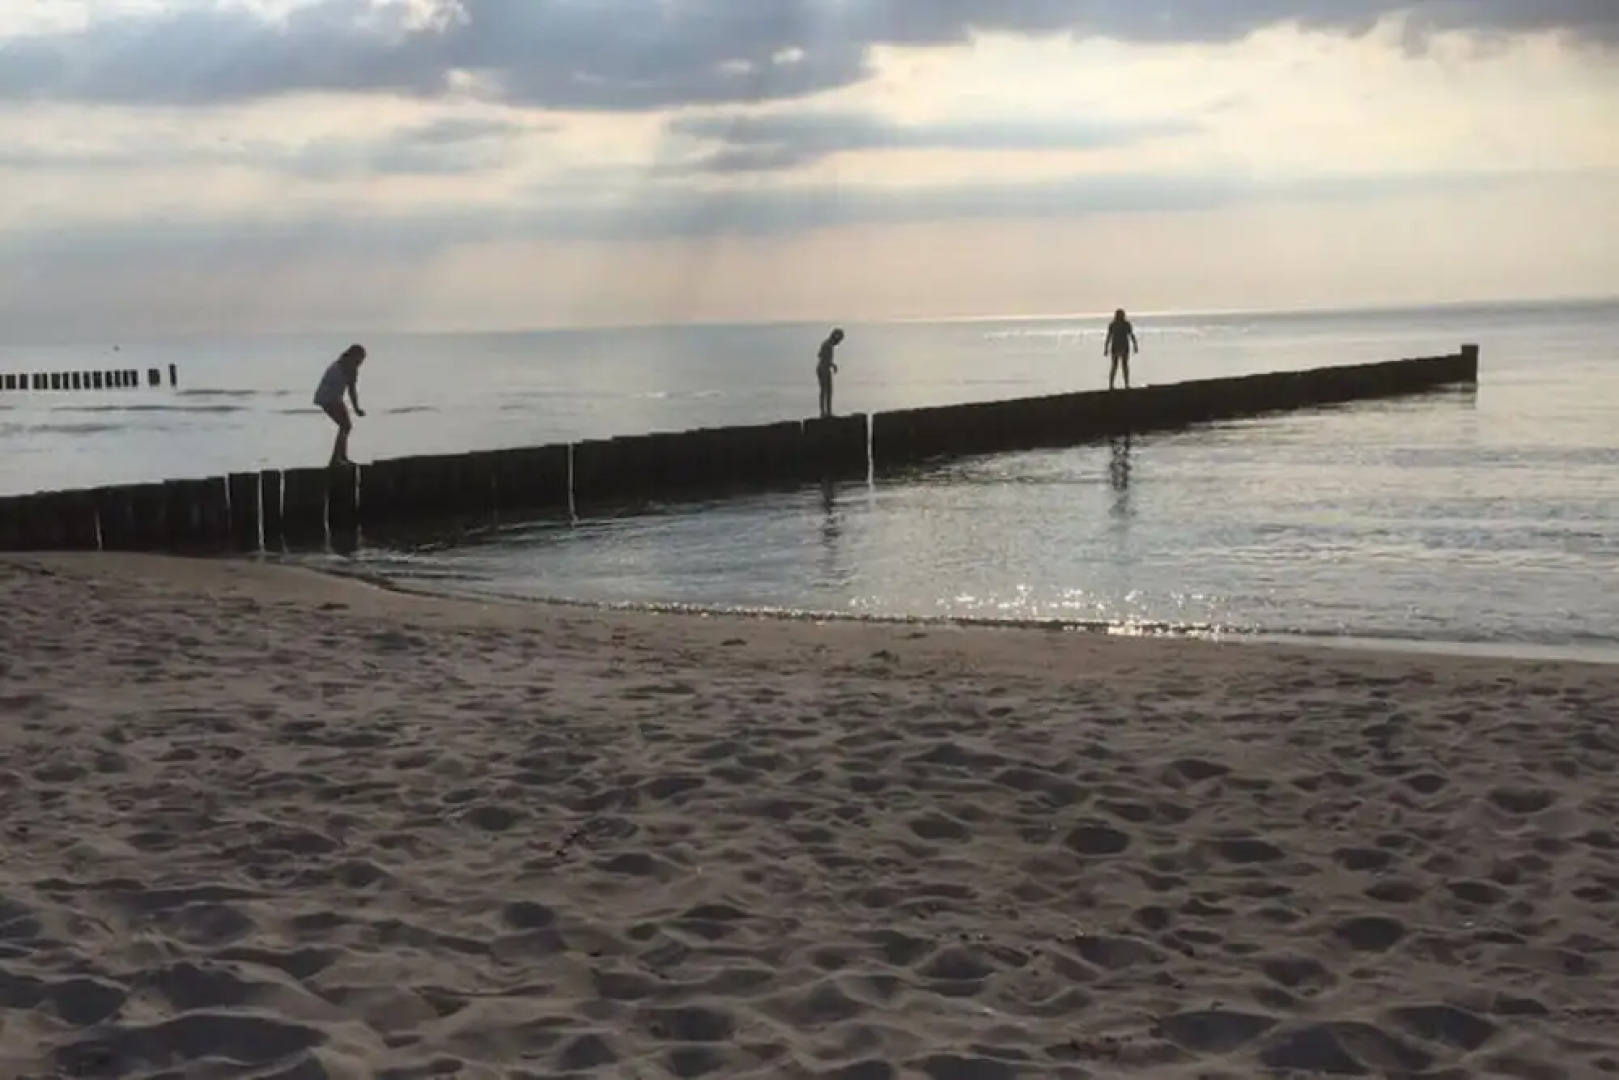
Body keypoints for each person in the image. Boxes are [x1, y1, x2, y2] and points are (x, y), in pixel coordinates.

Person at [313, 344, 367, 466]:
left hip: (329, 397)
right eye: (360, 359)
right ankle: (337, 459)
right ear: (354, 356)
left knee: (345, 426)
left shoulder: (342, 362)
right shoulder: (349, 366)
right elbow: (352, 390)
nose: (360, 363)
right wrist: (357, 408)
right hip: (329, 397)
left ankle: (340, 457)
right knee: (345, 425)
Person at [1103, 309, 1139, 390]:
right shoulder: (1113, 324)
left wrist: (1135, 345)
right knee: (1116, 366)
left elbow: (1131, 335)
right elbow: (1109, 336)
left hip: (1123, 346)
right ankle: (1112, 385)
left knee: (1123, 366)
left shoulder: (1125, 324)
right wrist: (1106, 348)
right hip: (1116, 347)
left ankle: (1125, 384)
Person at [816, 327, 845, 419]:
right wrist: (831, 365)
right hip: (823, 369)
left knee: (826, 391)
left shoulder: (827, 344)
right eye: (839, 340)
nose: (839, 343)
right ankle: (825, 412)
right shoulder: (828, 345)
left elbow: (820, 355)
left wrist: (832, 365)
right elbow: (822, 357)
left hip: (823, 368)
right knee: (826, 391)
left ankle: (826, 412)